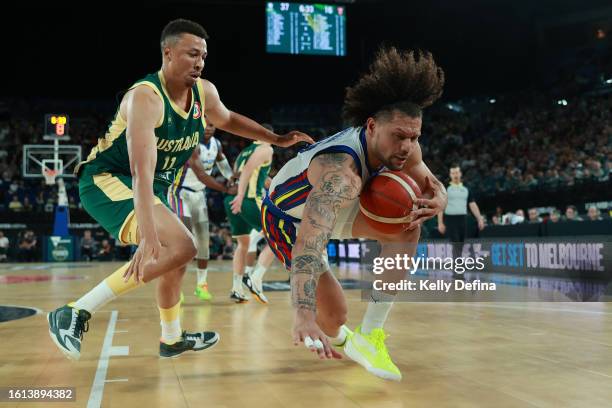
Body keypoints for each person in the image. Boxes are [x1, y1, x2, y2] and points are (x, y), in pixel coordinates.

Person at [47, 18, 312, 361]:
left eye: (203, 55)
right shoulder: (145, 98)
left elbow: (228, 119)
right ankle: (76, 311)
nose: (199, 62)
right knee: (182, 245)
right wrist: (149, 237)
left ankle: (171, 338)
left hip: (151, 188)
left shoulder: (205, 93)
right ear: (168, 53)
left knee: (177, 260)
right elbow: (140, 173)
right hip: (106, 182)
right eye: (191, 54)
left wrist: (275, 138)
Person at [261, 47, 447, 381]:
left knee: (409, 221)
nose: (407, 146)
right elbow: (307, 243)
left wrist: (441, 201)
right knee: (333, 317)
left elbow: (434, 185)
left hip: (344, 208)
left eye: (414, 136)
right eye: (399, 136)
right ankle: (347, 339)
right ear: (372, 126)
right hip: (289, 218)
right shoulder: (340, 174)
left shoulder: (407, 146)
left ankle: (371, 334)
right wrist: (303, 314)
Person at [167, 118, 235, 301]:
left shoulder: (217, 144)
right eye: (204, 124)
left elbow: (222, 162)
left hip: (199, 195)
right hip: (180, 194)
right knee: (184, 243)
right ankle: (175, 288)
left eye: (211, 124)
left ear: (215, 126)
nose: (207, 128)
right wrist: (227, 189)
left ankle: (201, 285)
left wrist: (230, 177)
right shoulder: (191, 144)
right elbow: (202, 175)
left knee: (204, 242)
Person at [224, 125, 275, 303]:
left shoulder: (245, 151)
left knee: (243, 244)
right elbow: (246, 172)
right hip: (248, 200)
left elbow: (250, 175)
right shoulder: (266, 149)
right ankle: (256, 278)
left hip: (231, 201)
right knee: (279, 237)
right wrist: (240, 196)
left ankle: (237, 287)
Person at [437, 165, 484, 265]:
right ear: (450, 175)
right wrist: (440, 223)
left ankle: (457, 267)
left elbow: (472, 204)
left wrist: (479, 218)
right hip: (450, 219)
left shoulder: (466, 189)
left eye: (457, 172)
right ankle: (458, 271)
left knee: (461, 244)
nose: (455, 175)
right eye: (453, 173)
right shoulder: (446, 189)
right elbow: (441, 206)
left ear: (460, 174)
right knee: (456, 243)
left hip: (462, 219)